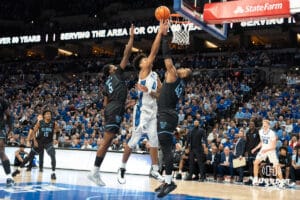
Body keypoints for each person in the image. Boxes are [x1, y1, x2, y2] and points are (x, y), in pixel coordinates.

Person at [117, 21, 167, 184]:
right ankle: (122, 167)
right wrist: (159, 33)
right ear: (141, 65)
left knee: (154, 140)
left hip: (153, 110)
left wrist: (150, 92)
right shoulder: (144, 72)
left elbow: (160, 95)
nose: (148, 60)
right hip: (142, 111)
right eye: (145, 60)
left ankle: (154, 170)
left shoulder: (155, 76)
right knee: (133, 140)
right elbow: (154, 51)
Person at [87, 24, 135, 186]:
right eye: (114, 67)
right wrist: (131, 38)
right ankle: (94, 171)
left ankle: (95, 171)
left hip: (112, 108)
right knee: (106, 141)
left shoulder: (107, 84)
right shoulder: (116, 74)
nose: (117, 66)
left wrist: (124, 105)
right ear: (111, 71)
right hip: (114, 109)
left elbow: (105, 103)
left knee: (108, 140)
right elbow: (126, 54)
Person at [154, 29, 192, 198]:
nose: (182, 68)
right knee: (165, 147)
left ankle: (169, 182)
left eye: (185, 69)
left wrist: (164, 37)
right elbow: (162, 94)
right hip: (168, 114)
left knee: (166, 149)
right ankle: (166, 180)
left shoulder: (175, 75)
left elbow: (167, 59)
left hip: (166, 115)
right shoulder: (178, 83)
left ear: (184, 74)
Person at [12, 110, 59, 180]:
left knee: (53, 155)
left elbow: (58, 131)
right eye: (47, 114)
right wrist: (34, 140)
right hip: (39, 142)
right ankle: (18, 169)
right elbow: (34, 131)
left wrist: (56, 139)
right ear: (44, 116)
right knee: (30, 156)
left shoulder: (54, 123)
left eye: (50, 114)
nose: (49, 115)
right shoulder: (40, 123)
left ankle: (53, 173)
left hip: (48, 143)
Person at [252, 119, 284, 187]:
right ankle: (255, 179)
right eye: (263, 125)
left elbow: (274, 146)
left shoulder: (272, 133)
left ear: (268, 126)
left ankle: (281, 181)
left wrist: (266, 150)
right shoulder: (260, 131)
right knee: (255, 163)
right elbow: (261, 142)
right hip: (263, 150)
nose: (264, 126)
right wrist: (255, 148)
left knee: (276, 166)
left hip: (270, 150)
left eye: (265, 125)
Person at [0, 96, 14, 186]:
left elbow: (8, 115)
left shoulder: (2, 101)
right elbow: (8, 115)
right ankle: (9, 177)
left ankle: (9, 177)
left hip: (0, 129)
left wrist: (10, 128)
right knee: (1, 152)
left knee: (1, 152)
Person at [244, 121, 260, 185]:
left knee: (255, 164)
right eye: (250, 124)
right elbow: (247, 143)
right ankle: (251, 178)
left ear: (254, 125)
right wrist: (246, 151)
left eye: (252, 124)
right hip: (250, 151)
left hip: (256, 151)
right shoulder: (247, 132)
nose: (251, 125)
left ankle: (256, 178)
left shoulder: (257, 132)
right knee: (250, 164)